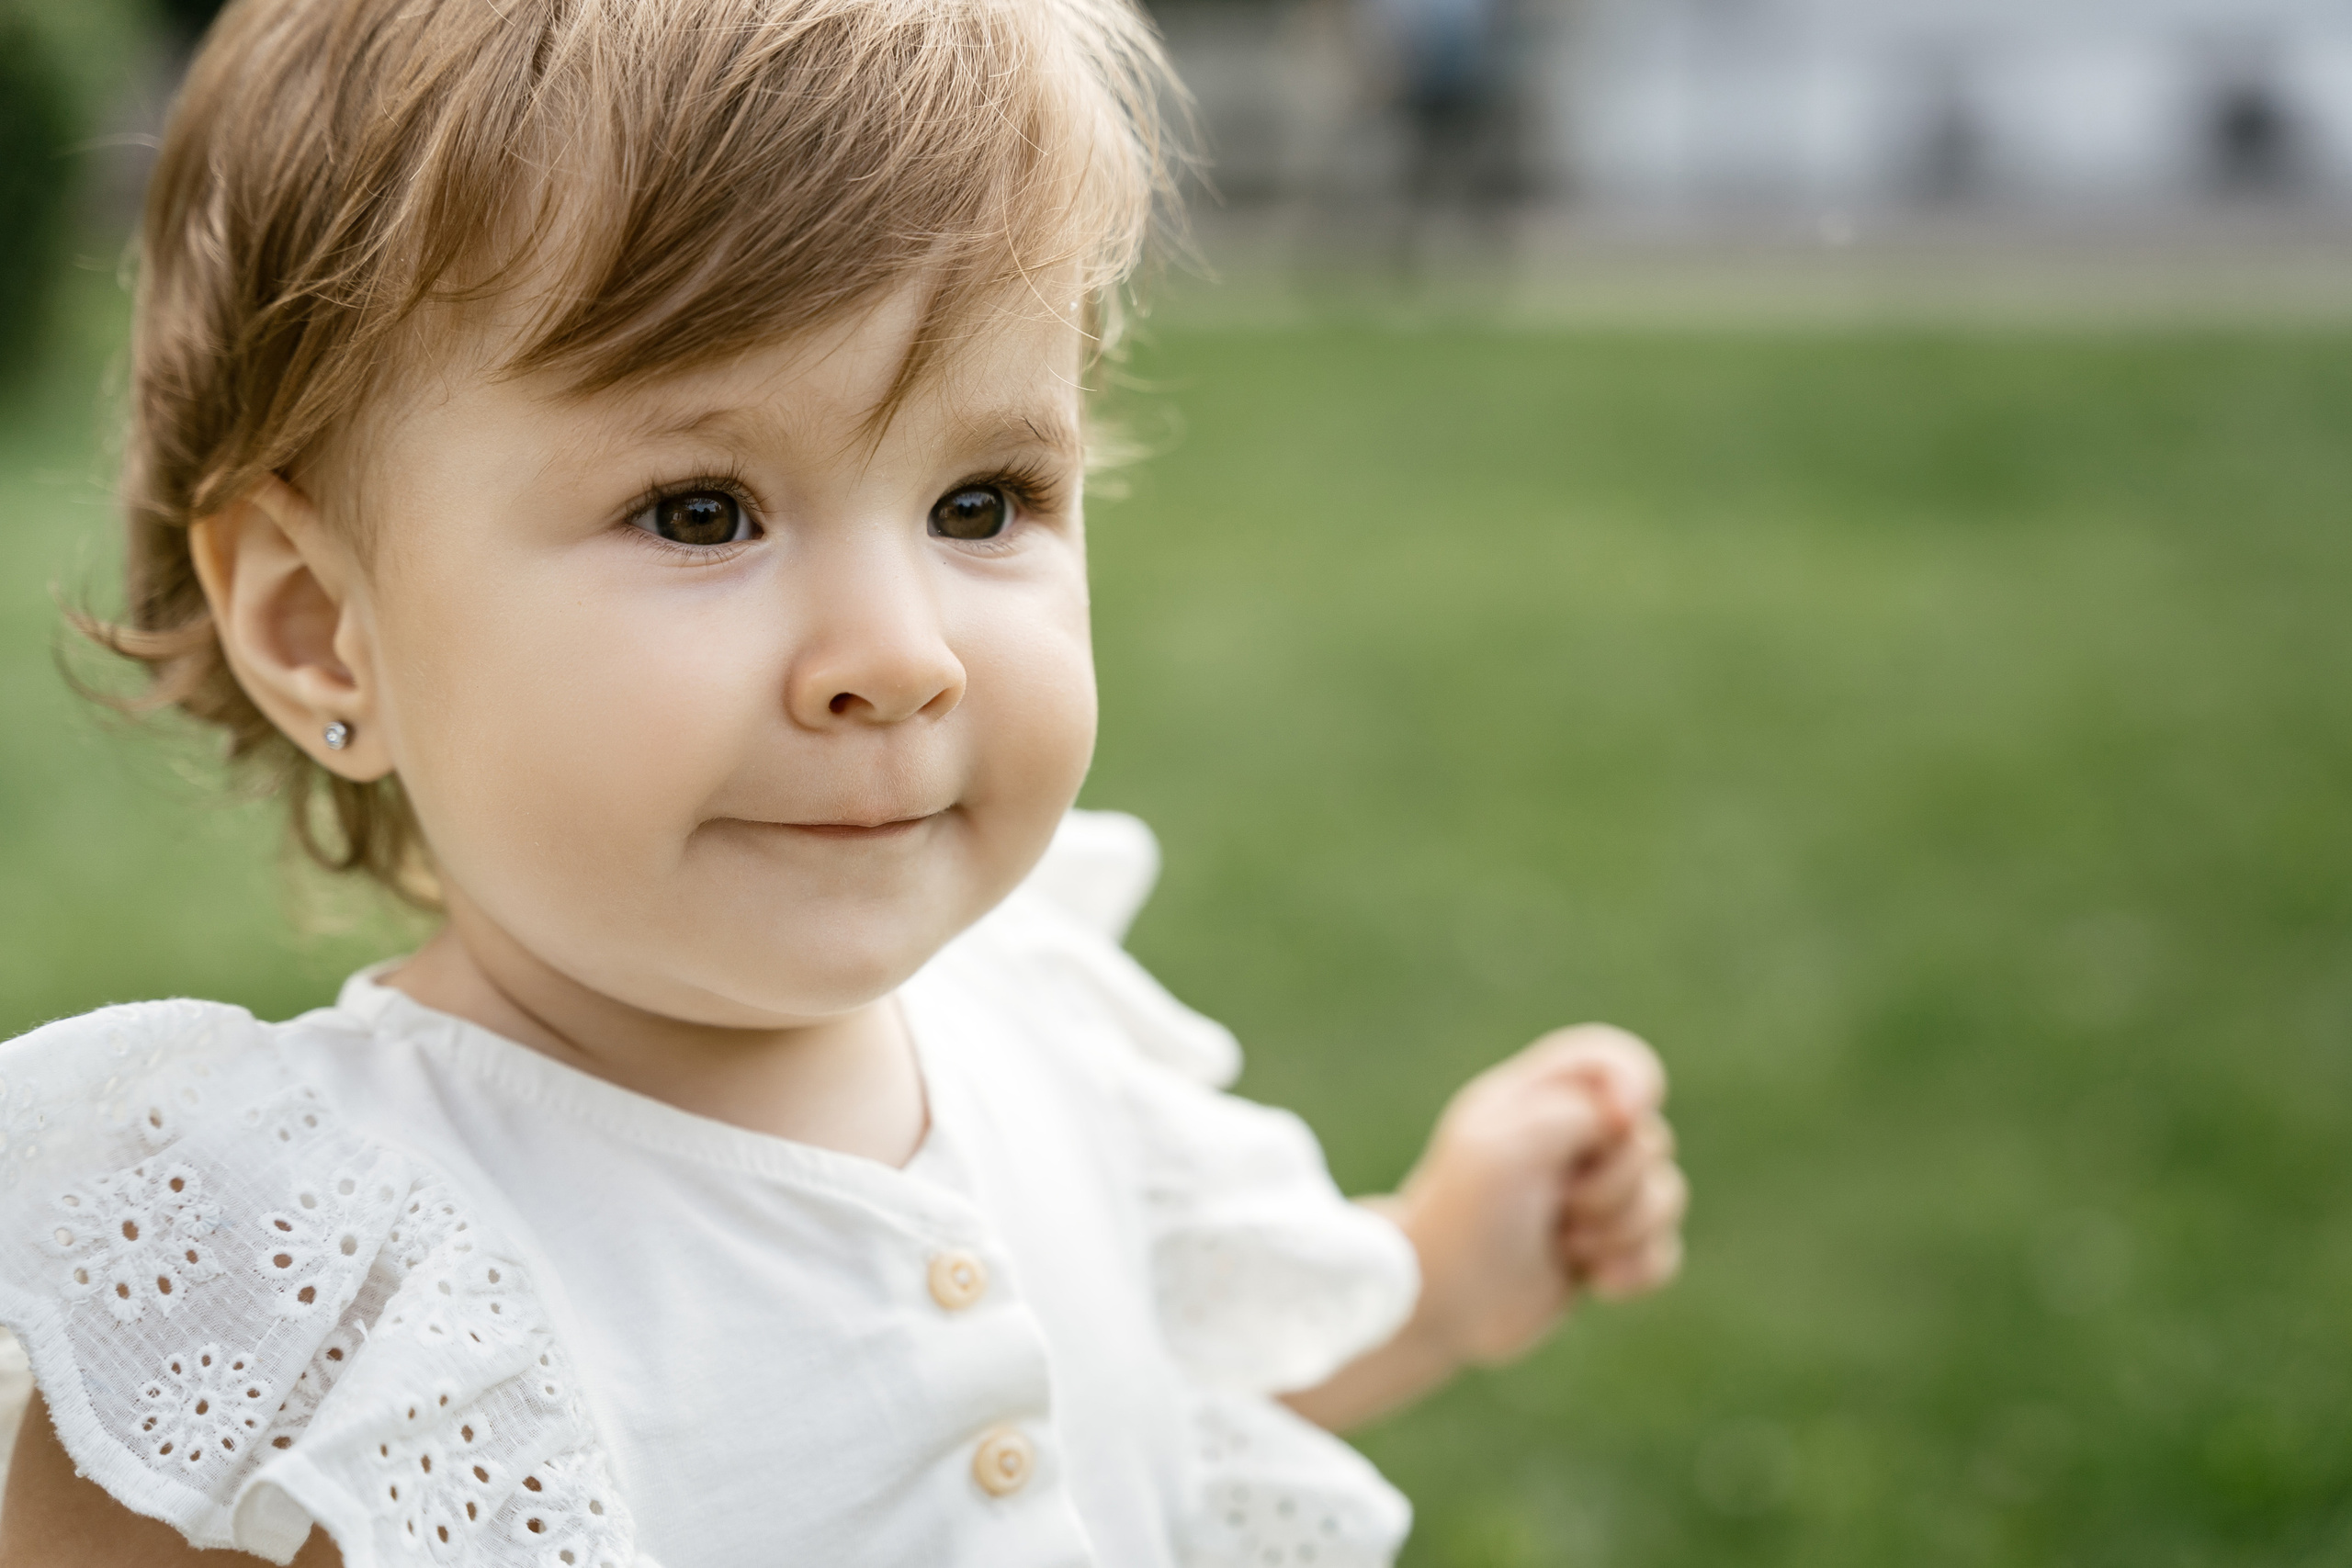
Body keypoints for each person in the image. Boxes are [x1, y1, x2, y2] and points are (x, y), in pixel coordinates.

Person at [0, 0, 1687, 1562]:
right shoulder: (308, 1286)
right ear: (322, 630)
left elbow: (1145, 1402)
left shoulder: (1047, 1037)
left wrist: (1440, 1278)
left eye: (980, 503)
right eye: (701, 513)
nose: (900, 653)